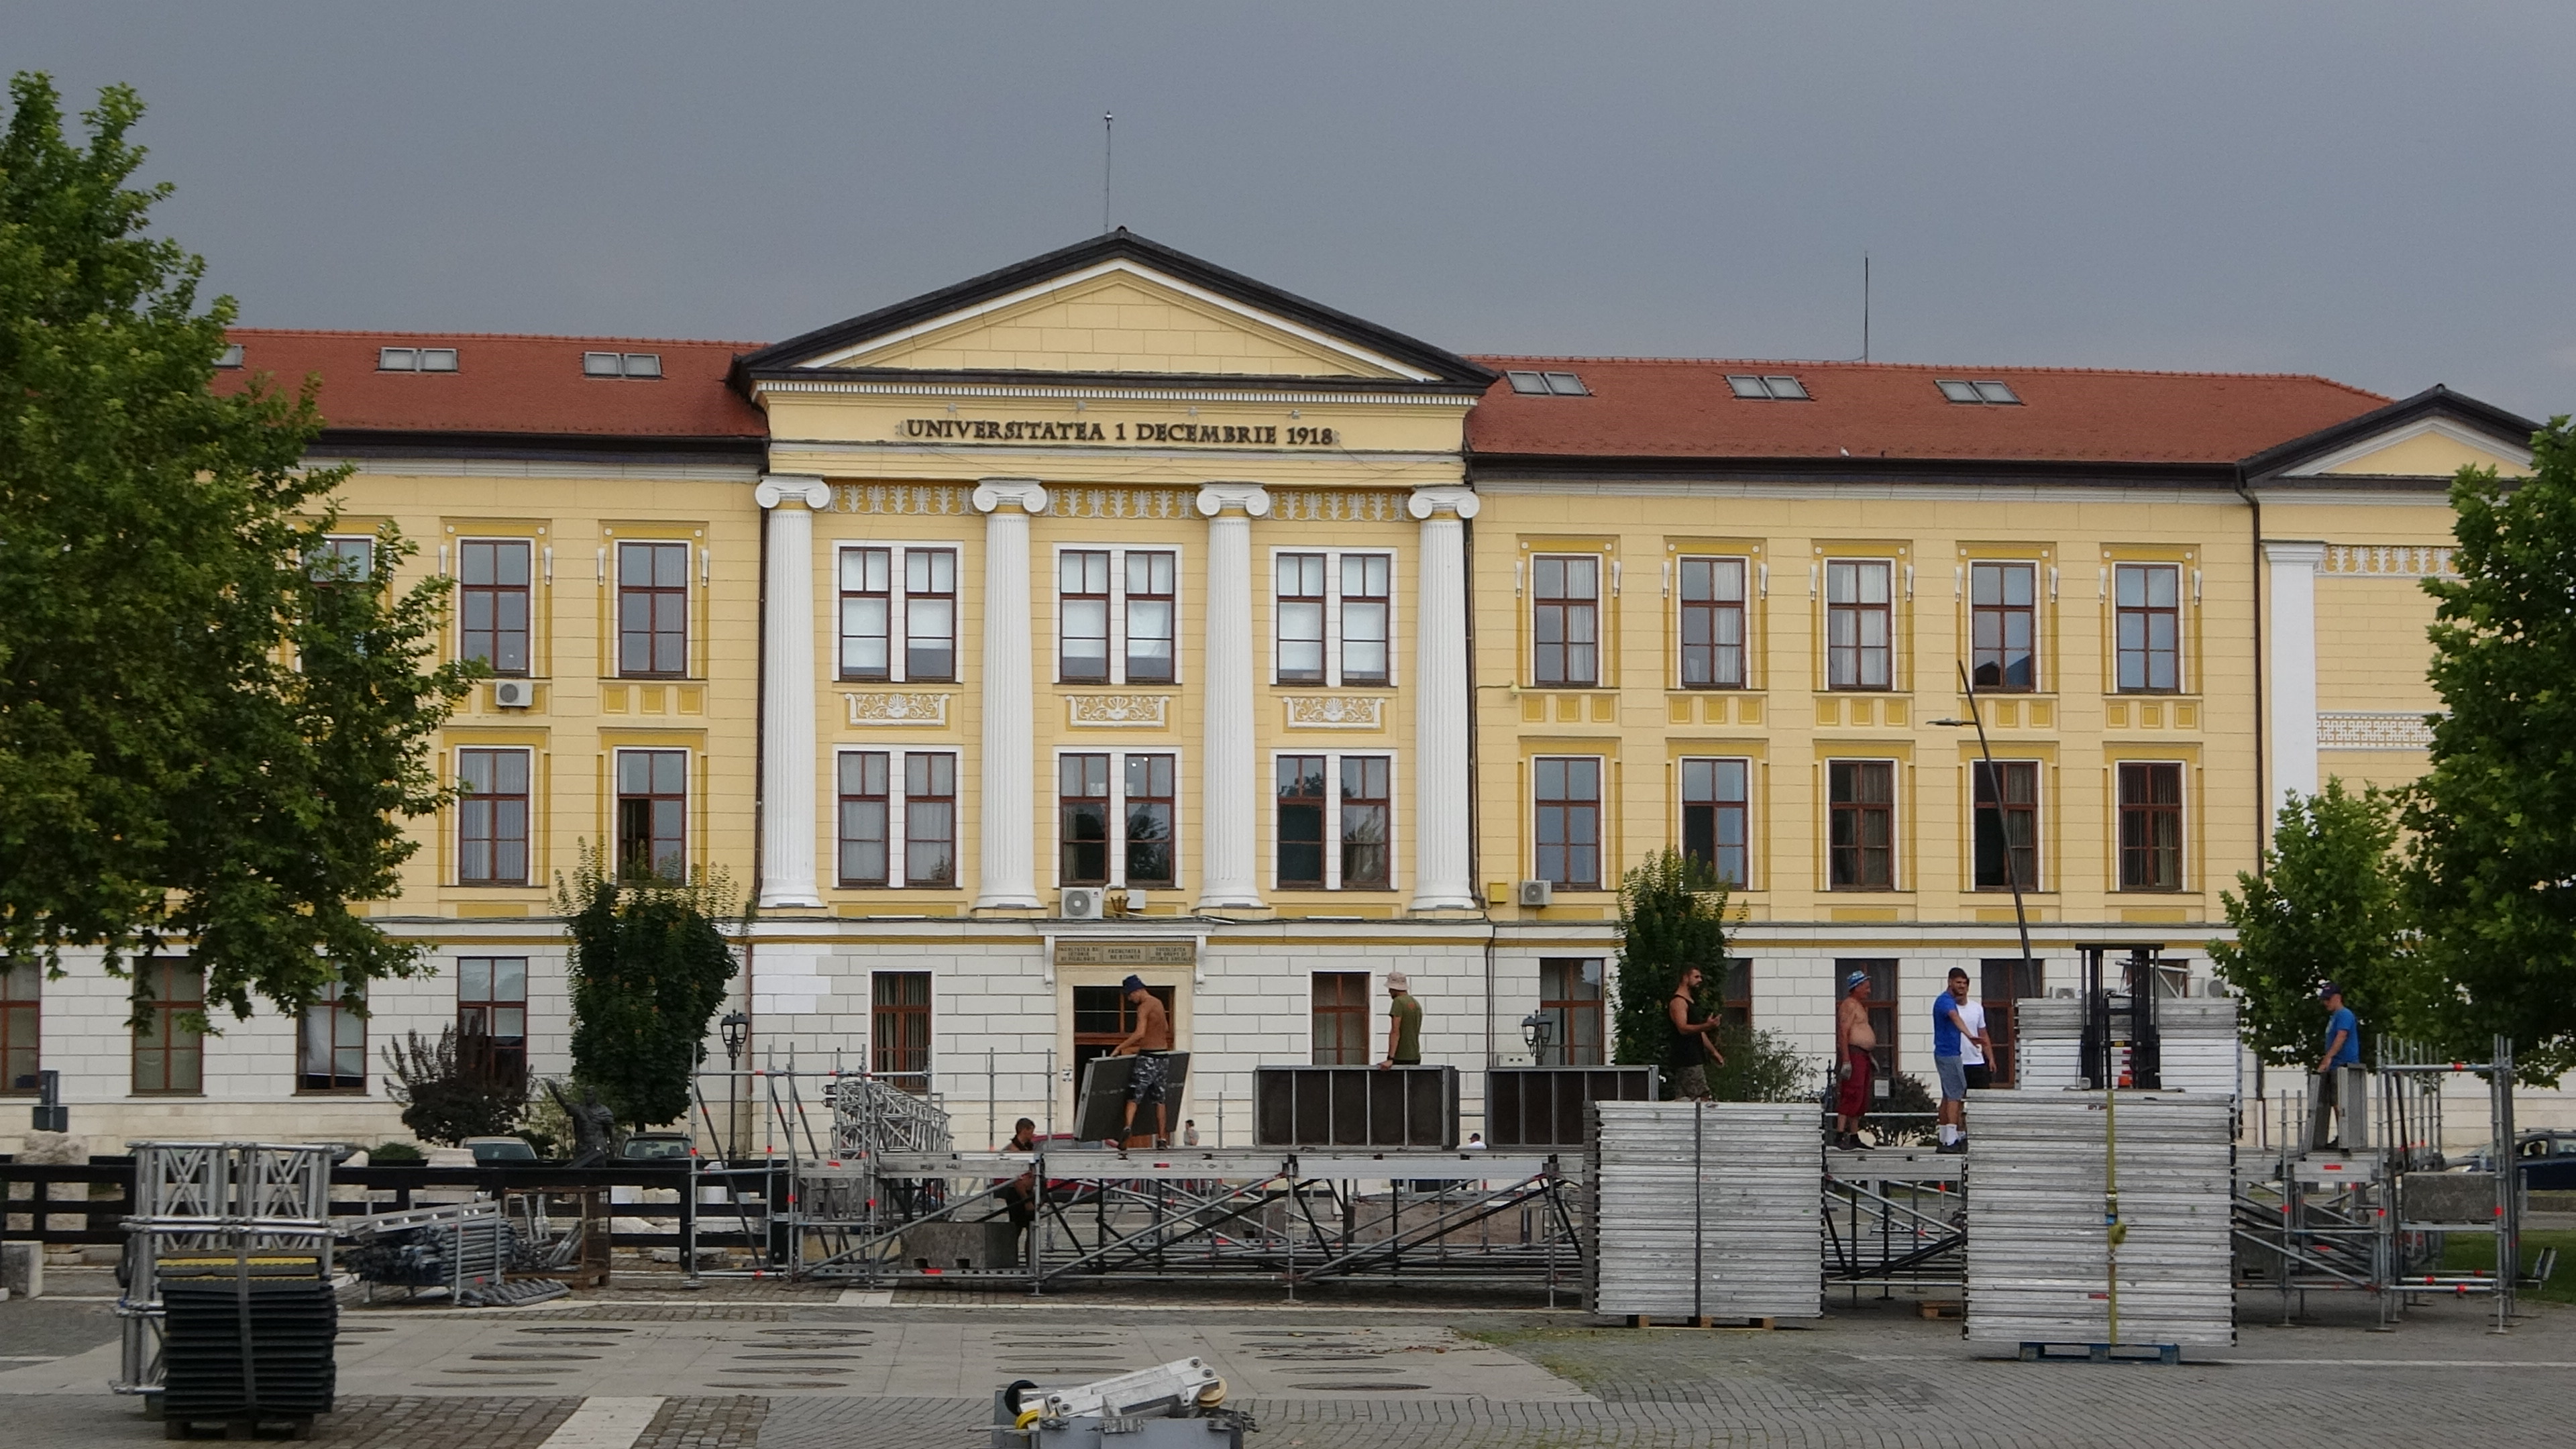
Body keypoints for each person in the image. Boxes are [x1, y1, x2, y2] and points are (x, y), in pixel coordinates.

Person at [1108, 975, 1175, 1148]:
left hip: (1147, 1058)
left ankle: (1128, 1127)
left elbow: (1140, 1033)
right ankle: (1162, 1139)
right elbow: (1166, 1028)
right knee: (1160, 1100)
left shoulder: (1143, 1007)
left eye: (1130, 996)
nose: (1130, 999)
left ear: (1136, 991)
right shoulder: (1159, 1003)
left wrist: (1119, 1047)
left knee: (1133, 1096)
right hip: (1163, 1057)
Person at [1931, 968, 1992, 1154]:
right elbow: (1955, 1018)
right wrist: (1970, 1036)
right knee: (1954, 1096)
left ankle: (1946, 1137)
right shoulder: (1945, 1001)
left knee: (1950, 1094)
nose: (1962, 986)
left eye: (1965, 983)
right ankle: (1950, 1140)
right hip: (1948, 1054)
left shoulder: (1952, 1001)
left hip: (1950, 1053)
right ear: (1950, 982)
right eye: (1958, 982)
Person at [1666, 965, 1726, 1099]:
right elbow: (1683, 1028)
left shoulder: (1690, 1001)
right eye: (1696, 977)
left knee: (1684, 1100)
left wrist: (1714, 1052)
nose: (1700, 980)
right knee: (1703, 1097)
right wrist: (1707, 1026)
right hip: (1688, 1058)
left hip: (1694, 1057)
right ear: (1685, 977)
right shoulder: (1679, 1002)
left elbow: (1699, 1032)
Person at [1835, 971, 1876, 1150]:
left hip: (1862, 1055)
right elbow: (1844, 1032)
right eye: (1866, 987)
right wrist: (1846, 1060)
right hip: (1853, 1055)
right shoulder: (1849, 1005)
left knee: (1860, 1096)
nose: (1868, 991)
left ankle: (1853, 1135)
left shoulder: (1859, 1005)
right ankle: (1839, 1134)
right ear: (1857, 987)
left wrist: (1870, 1054)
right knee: (1851, 1094)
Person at [2315, 982, 2361, 1146]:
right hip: (2337, 1064)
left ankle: (2345, 1136)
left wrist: (2328, 1058)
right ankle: (2342, 1135)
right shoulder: (2334, 1017)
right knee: (2335, 1100)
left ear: (2338, 998)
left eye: (2328, 999)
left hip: (2343, 1063)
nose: (2325, 1003)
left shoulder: (2344, 1015)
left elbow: (2341, 1036)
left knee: (2340, 1101)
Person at [999, 1118, 1040, 1230]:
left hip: (1028, 1192)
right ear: (1024, 1130)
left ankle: (1029, 1247)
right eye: (1031, 1131)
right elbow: (1017, 1178)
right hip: (1018, 1195)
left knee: (1031, 1228)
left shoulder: (1027, 1148)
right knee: (1017, 1228)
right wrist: (1026, 1200)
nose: (1033, 1135)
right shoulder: (1014, 1151)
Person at [1377, 971, 1423, 1069]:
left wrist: (1391, 1058)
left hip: (1401, 1056)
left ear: (1394, 988)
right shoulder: (1415, 1003)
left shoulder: (1398, 1002)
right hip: (1415, 1056)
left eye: (1390, 989)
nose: (1389, 992)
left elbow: (1395, 1031)